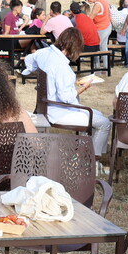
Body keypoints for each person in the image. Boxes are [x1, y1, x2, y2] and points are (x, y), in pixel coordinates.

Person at [23, 27, 112, 157]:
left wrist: (40, 74)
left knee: (99, 115)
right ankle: (91, 160)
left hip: (46, 106)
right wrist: (84, 87)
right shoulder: (62, 66)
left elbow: (29, 60)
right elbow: (66, 98)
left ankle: (83, 151)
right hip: (59, 111)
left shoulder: (44, 52)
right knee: (104, 123)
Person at [82, 0, 114, 65]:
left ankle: (97, 65)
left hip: (101, 28)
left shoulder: (97, 5)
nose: (87, 1)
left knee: (96, 47)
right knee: (103, 47)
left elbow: (90, 18)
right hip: (107, 26)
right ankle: (106, 65)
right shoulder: (103, 0)